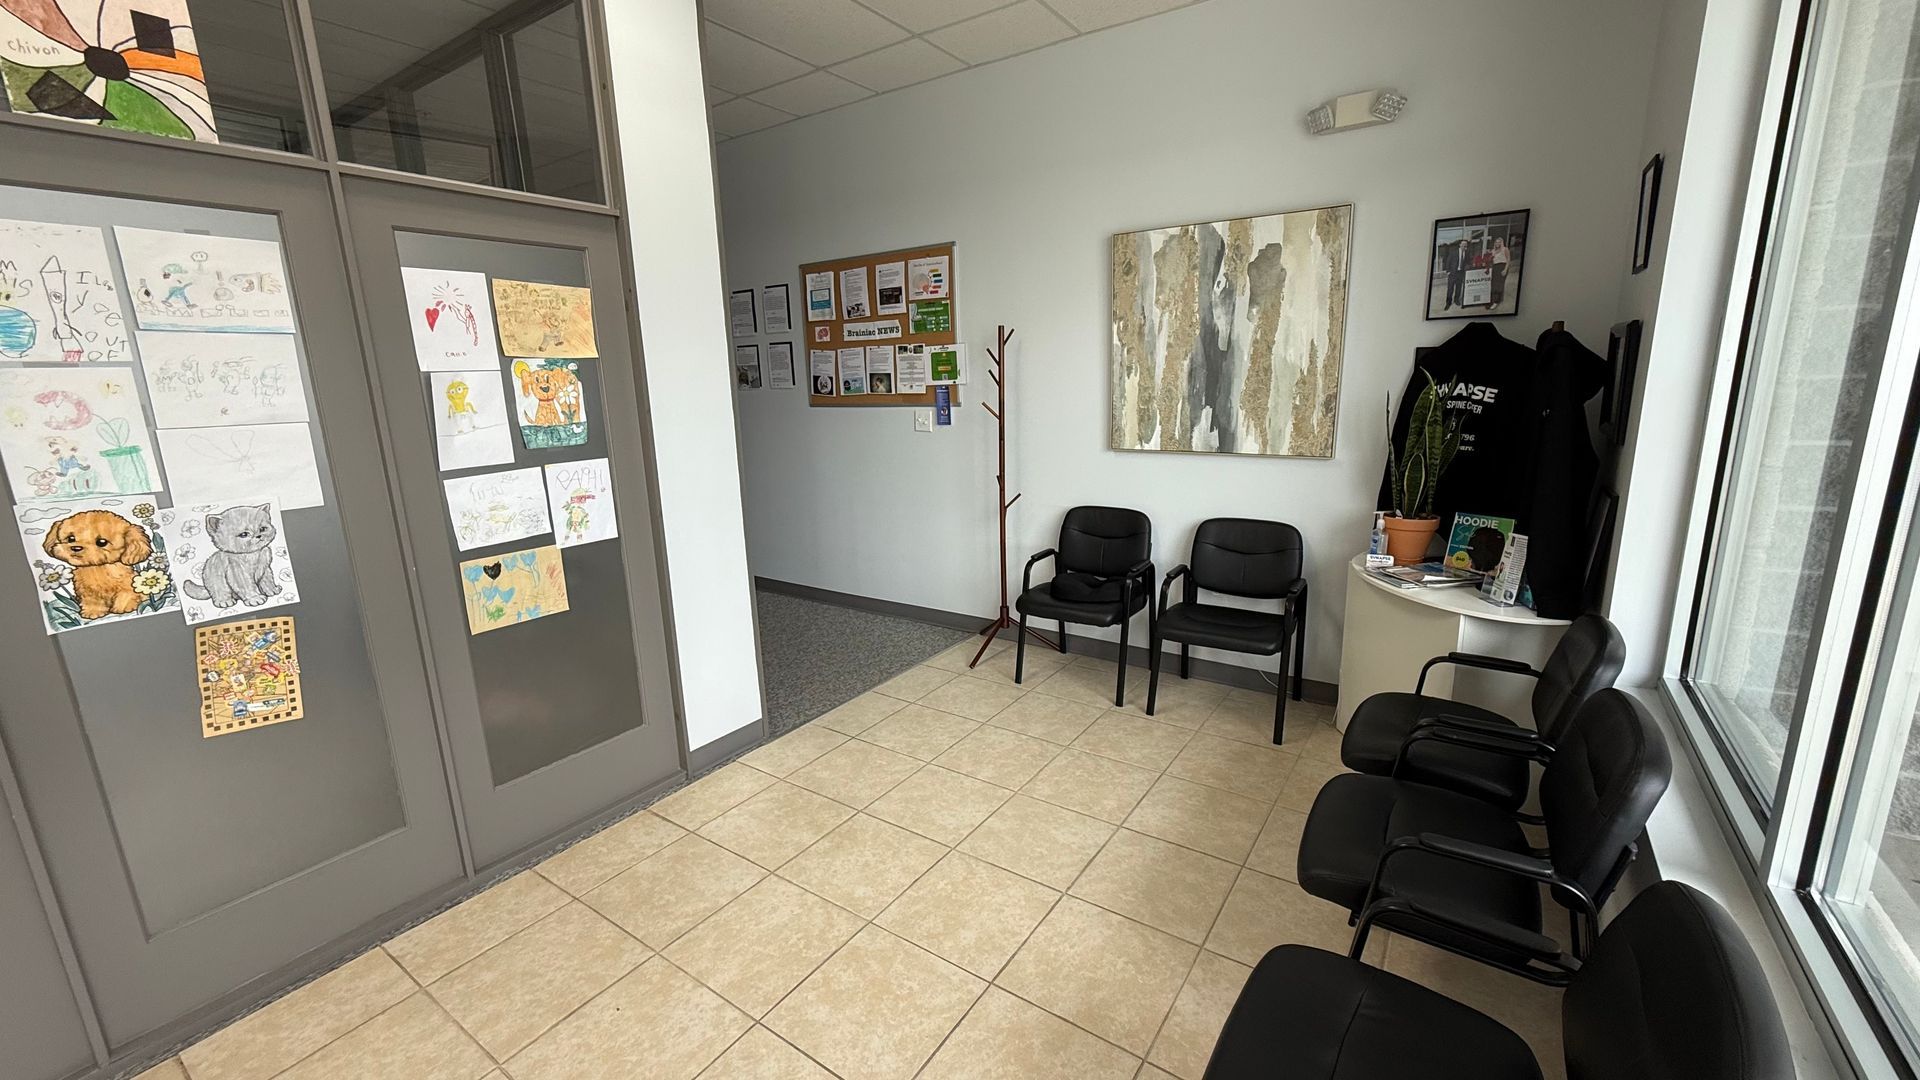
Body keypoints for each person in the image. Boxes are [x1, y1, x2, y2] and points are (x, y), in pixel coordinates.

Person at [1444, 238, 1469, 310]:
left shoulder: (1467, 253)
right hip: (1452, 273)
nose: (1464, 246)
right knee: (1450, 289)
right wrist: (1448, 271)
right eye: (1463, 244)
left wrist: (1467, 267)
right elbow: (1448, 261)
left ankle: (1456, 300)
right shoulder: (1453, 252)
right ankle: (1448, 303)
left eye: (1466, 245)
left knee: (1458, 288)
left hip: (1460, 273)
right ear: (1460, 245)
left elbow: (1467, 262)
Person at [1489, 236, 1512, 309]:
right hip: (1495, 268)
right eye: (1496, 242)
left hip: (1502, 267)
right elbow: (1491, 261)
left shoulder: (1505, 249)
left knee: (1499, 285)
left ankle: (1496, 302)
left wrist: (1505, 269)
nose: (1497, 243)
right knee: (1494, 284)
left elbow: (1508, 260)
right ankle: (1496, 299)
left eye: (1499, 242)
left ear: (1502, 242)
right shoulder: (1493, 251)